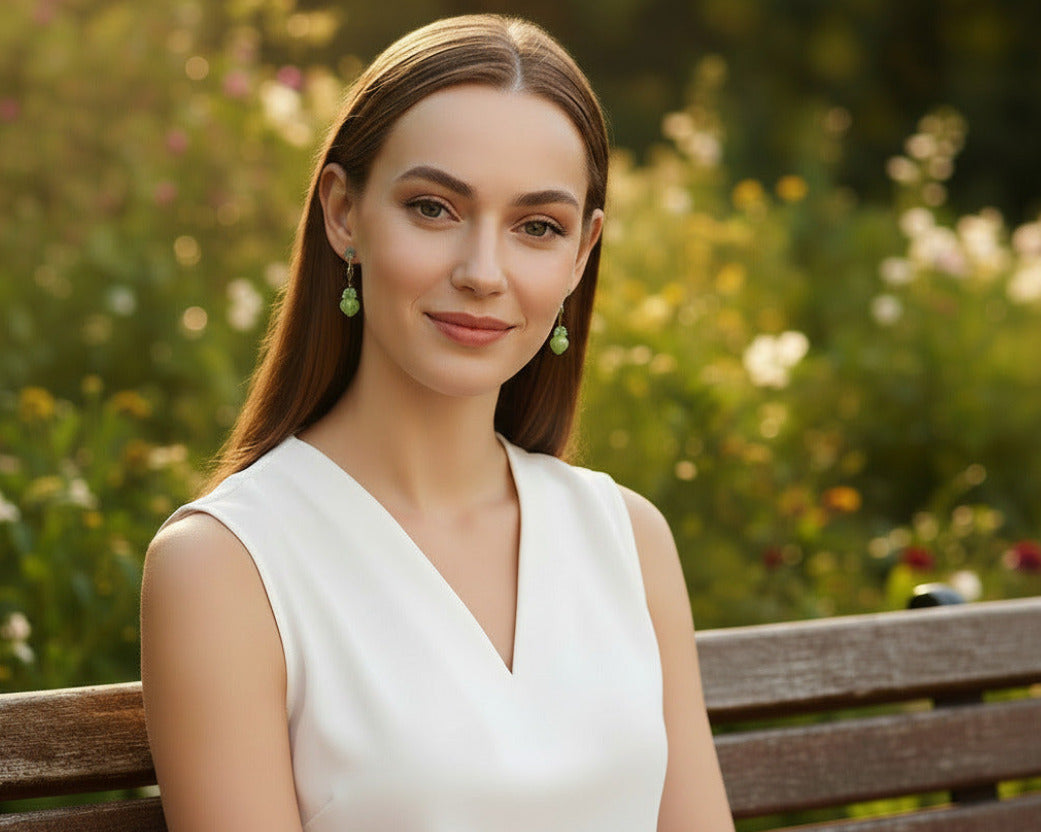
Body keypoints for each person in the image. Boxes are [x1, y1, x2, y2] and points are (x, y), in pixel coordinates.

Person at [140, 14, 734, 832]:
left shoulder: (627, 540)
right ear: (344, 213)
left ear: (580, 256)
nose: (482, 273)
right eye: (433, 208)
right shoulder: (228, 566)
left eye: (537, 227)